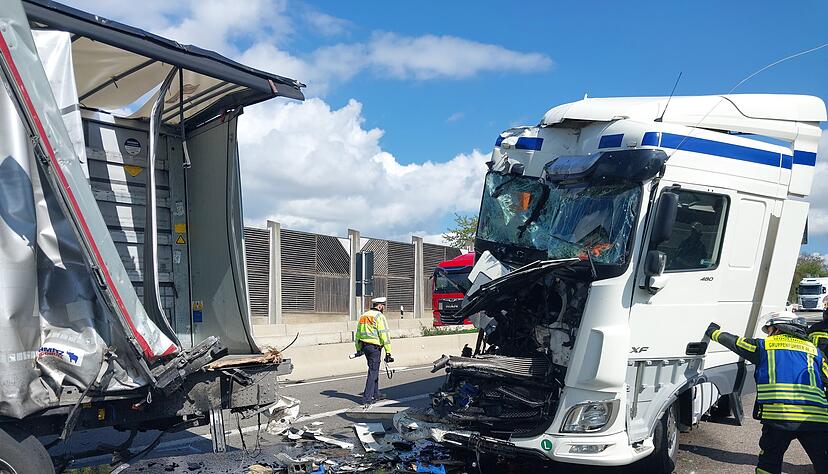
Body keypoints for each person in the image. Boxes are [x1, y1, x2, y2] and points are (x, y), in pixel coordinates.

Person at [706, 313, 828, 474]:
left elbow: (735, 343)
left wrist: (712, 331)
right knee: (824, 463)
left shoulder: (765, 346)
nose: (769, 333)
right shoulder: (815, 351)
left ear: (777, 329)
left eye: (769, 330)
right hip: (816, 419)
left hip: (779, 418)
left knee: (769, 464)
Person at [355, 297, 393, 406]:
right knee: (373, 372)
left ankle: (376, 394)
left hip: (365, 346)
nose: (383, 308)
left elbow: (358, 334)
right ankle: (367, 398)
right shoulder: (379, 316)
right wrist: (388, 352)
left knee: (373, 369)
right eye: (383, 306)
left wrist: (358, 349)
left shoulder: (364, 316)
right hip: (375, 348)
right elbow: (384, 334)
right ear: (380, 306)